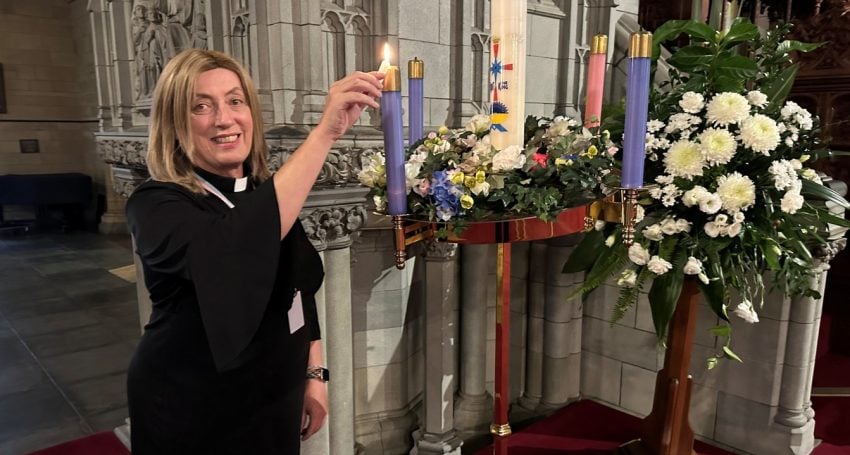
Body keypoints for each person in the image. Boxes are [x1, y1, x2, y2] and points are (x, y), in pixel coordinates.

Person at [125, 48, 383, 454]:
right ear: (175, 124)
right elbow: (235, 253)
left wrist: (314, 374)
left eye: (234, 101)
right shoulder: (156, 204)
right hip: (194, 403)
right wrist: (324, 134)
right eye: (200, 107)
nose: (224, 119)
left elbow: (298, 287)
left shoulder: (264, 192)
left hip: (273, 398)